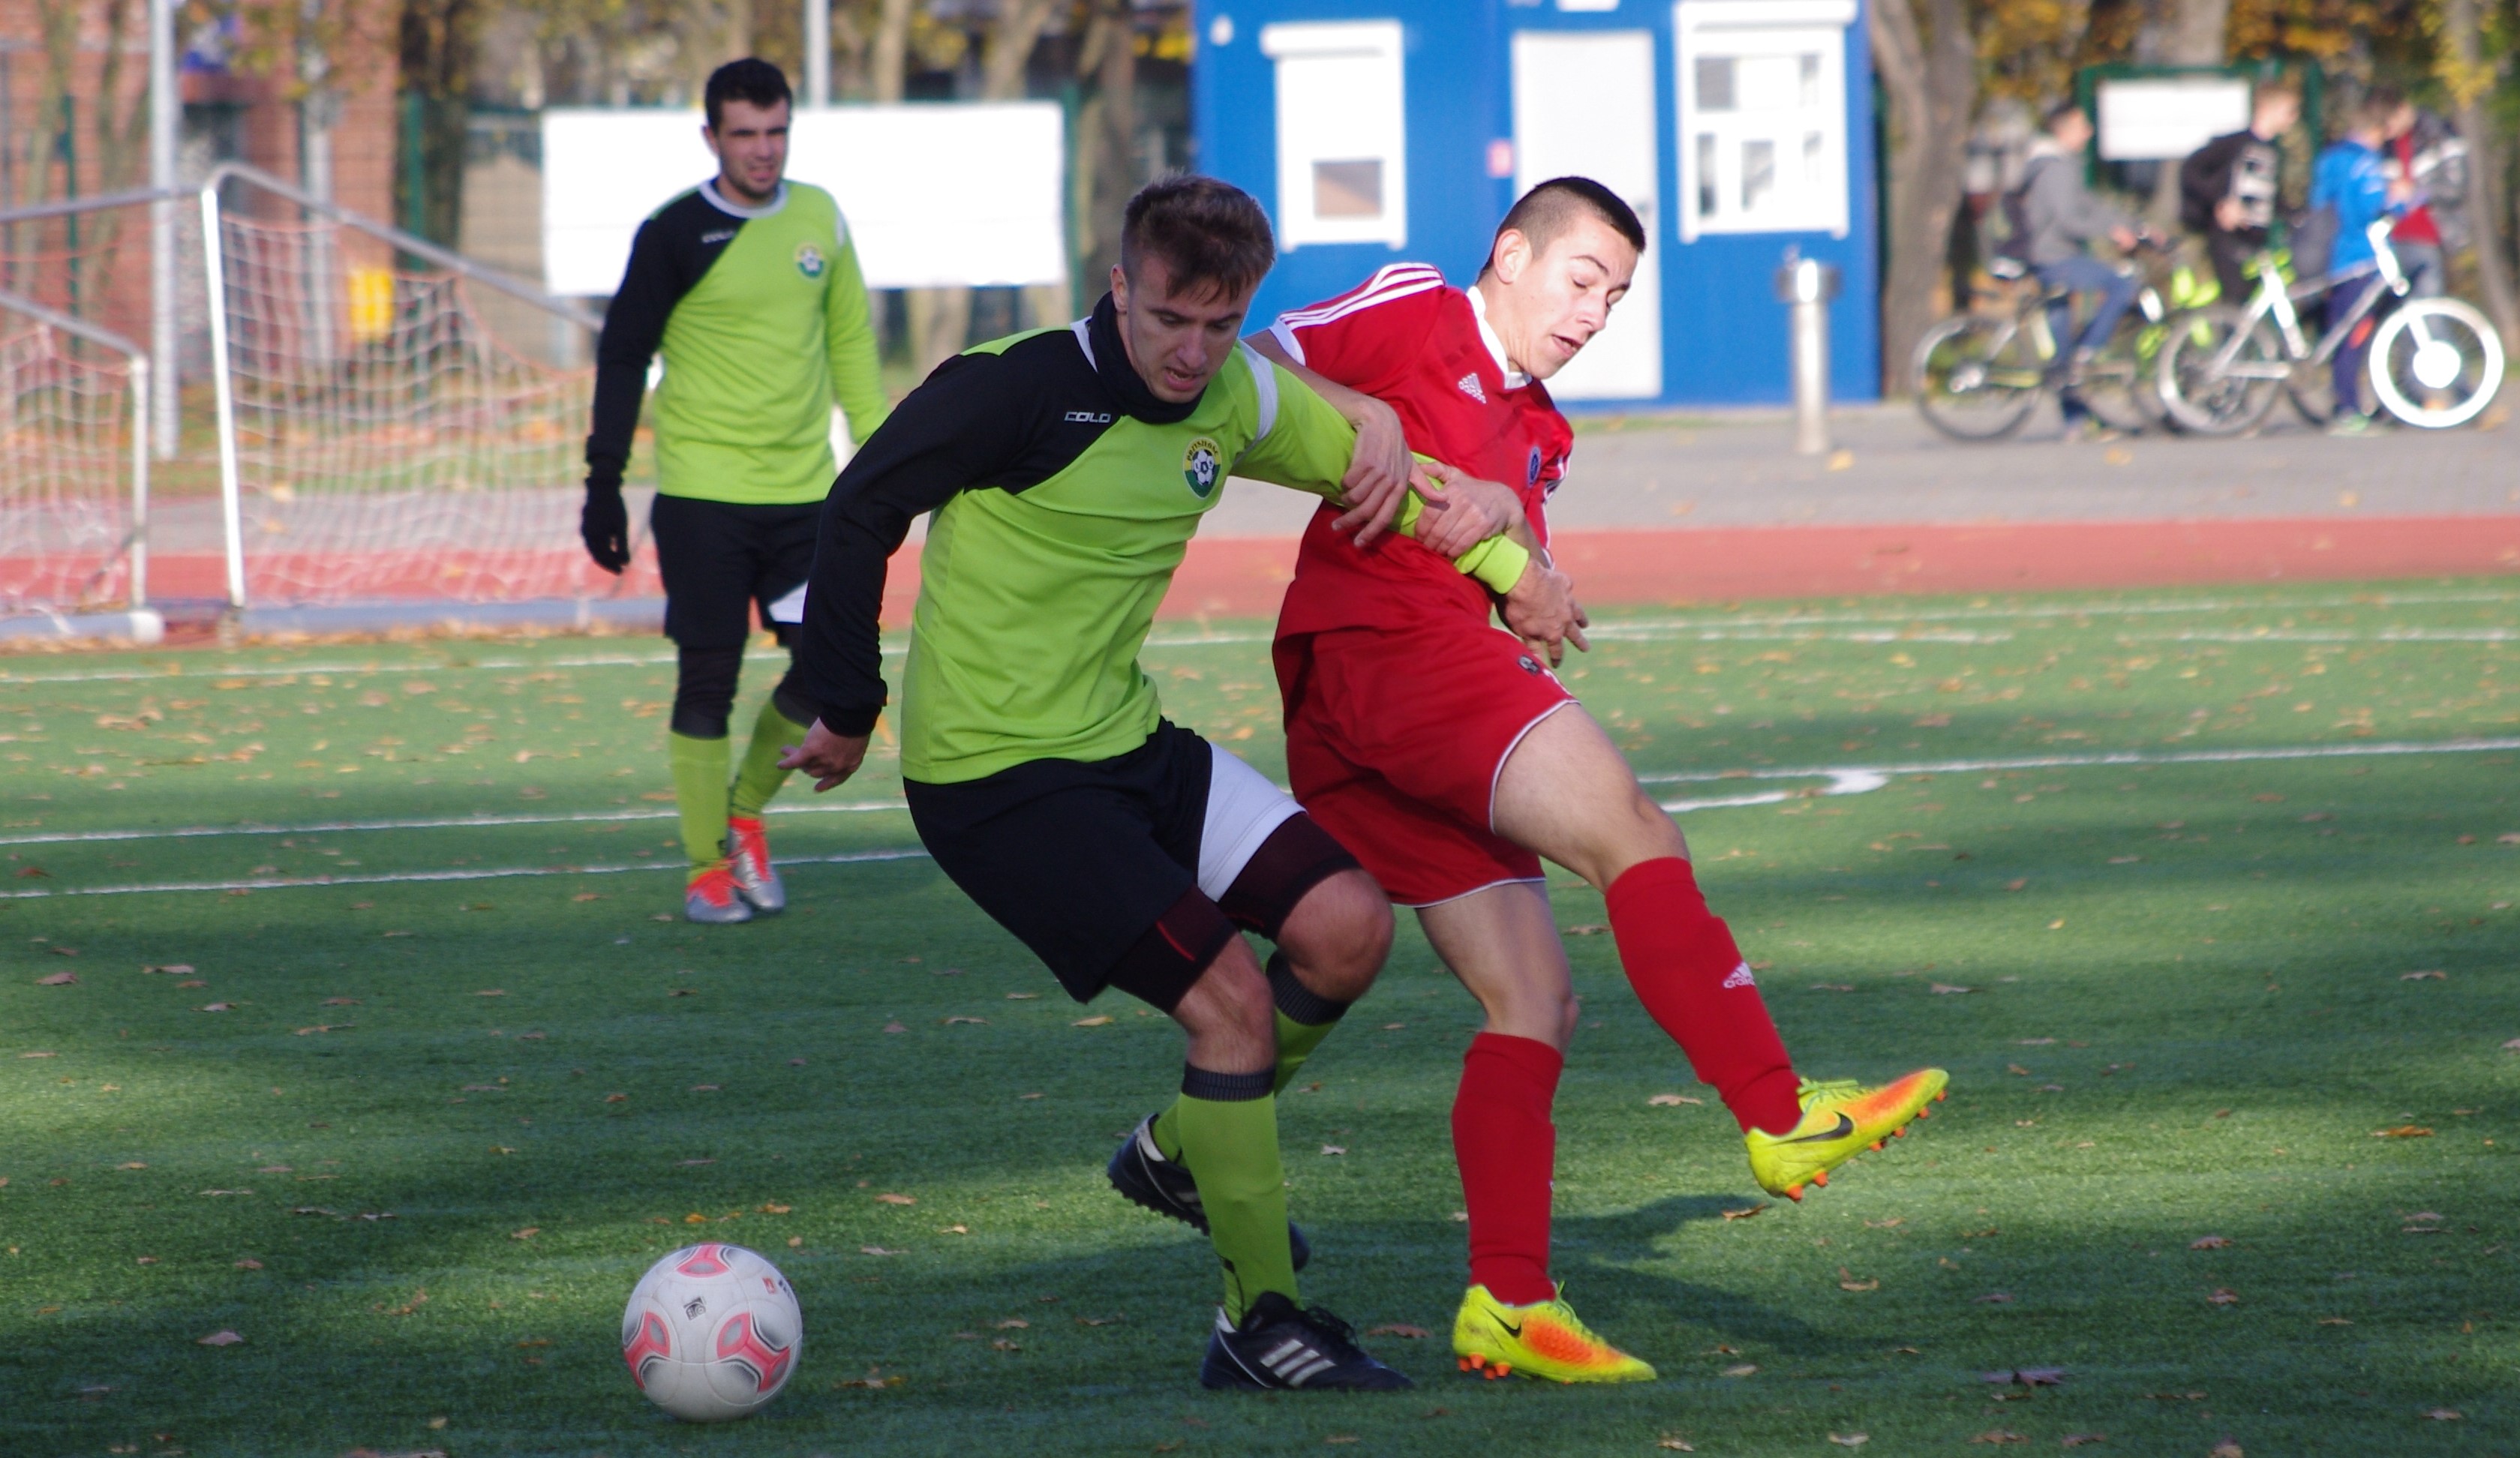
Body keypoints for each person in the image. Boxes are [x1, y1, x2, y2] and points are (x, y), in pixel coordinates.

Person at [778, 176, 1542, 1390]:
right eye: (1169, 319)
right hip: (996, 778)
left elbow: (1376, 474)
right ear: (1120, 287)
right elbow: (860, 502)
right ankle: (1260, 1323)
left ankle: (1184, 1150)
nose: (1191, 352)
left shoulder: (1231, 393)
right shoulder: (1013, 388)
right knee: (1231, 1008)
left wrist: (1510, 566)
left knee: (1348, 925)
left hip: (1124, 744)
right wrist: (846, 700)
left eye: (1220, 325)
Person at [1241, 178, 1949, 1384]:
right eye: (1580, 281)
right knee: (1632, 830)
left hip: (1380, 708)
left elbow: (1509, 559)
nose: (1592, 314)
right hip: (1386, 659)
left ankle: (1507, 1303)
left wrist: (1528, 562)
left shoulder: (1542, 430)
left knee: (1533, 1001)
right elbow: (1248, 368)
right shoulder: (1414, 306)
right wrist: (1373, 425)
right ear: (1509, 254)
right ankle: (1776, 1111)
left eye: (1614, 298)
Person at [579, 58, 889, 924]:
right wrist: (603, 483)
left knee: (826, 672)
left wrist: (884, 466)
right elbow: (622, 356)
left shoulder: (820, 217)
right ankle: (704, 867)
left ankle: (744, 813)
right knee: (707, 679)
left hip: (806, 499)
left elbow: (853, 349)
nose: (763, 149)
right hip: (702, 498)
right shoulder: (674, 231)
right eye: (744, 134)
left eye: (775, 131)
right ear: (711, 137)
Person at [2018, 104, 2145, 440]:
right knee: (2122, 283)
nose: (2088, 132)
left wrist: (2133, 225)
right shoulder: (2057, 168)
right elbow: (2070, 219)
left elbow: (2090, 206)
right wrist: (2113, 232)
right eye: (2082, 126)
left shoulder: (2056, 164)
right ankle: (2090, 350)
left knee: (2062, 351)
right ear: (2064, 131)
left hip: (2048, 257)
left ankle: (2075, 423)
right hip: (2055, 259)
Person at [2310, 94, 2415, 435]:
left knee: (2343, 332)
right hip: (2361, 258)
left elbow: (2319, 201)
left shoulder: (2331, 158)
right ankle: (2348, 409)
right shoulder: (2366, 163)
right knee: (2353, 336)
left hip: (2332, 256)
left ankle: (2351, 403)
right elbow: (2370, 209)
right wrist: (2401, 201)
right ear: (2377, 130)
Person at [2179, 83, 2299, 304]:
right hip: (2229, 238)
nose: (2293, 118)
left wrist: (2294, 215)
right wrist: (2221, 202)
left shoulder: (2274, 151)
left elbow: (2270, 196)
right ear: (2267, 109)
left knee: (2254, 302)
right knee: (2235, 300)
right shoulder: (2235, 144)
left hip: (2256, 240)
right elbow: (2192, 169)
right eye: (2289, 111)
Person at [2377, 87, 2462, 299]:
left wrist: (2417, 192)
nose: (2387, 129)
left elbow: (2456, 188)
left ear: (2404, 109)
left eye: (2390, 121)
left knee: (2428, 303)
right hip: (2393, 238)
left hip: (2430, 235)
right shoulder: (2384, 146)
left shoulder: (2439, 134)